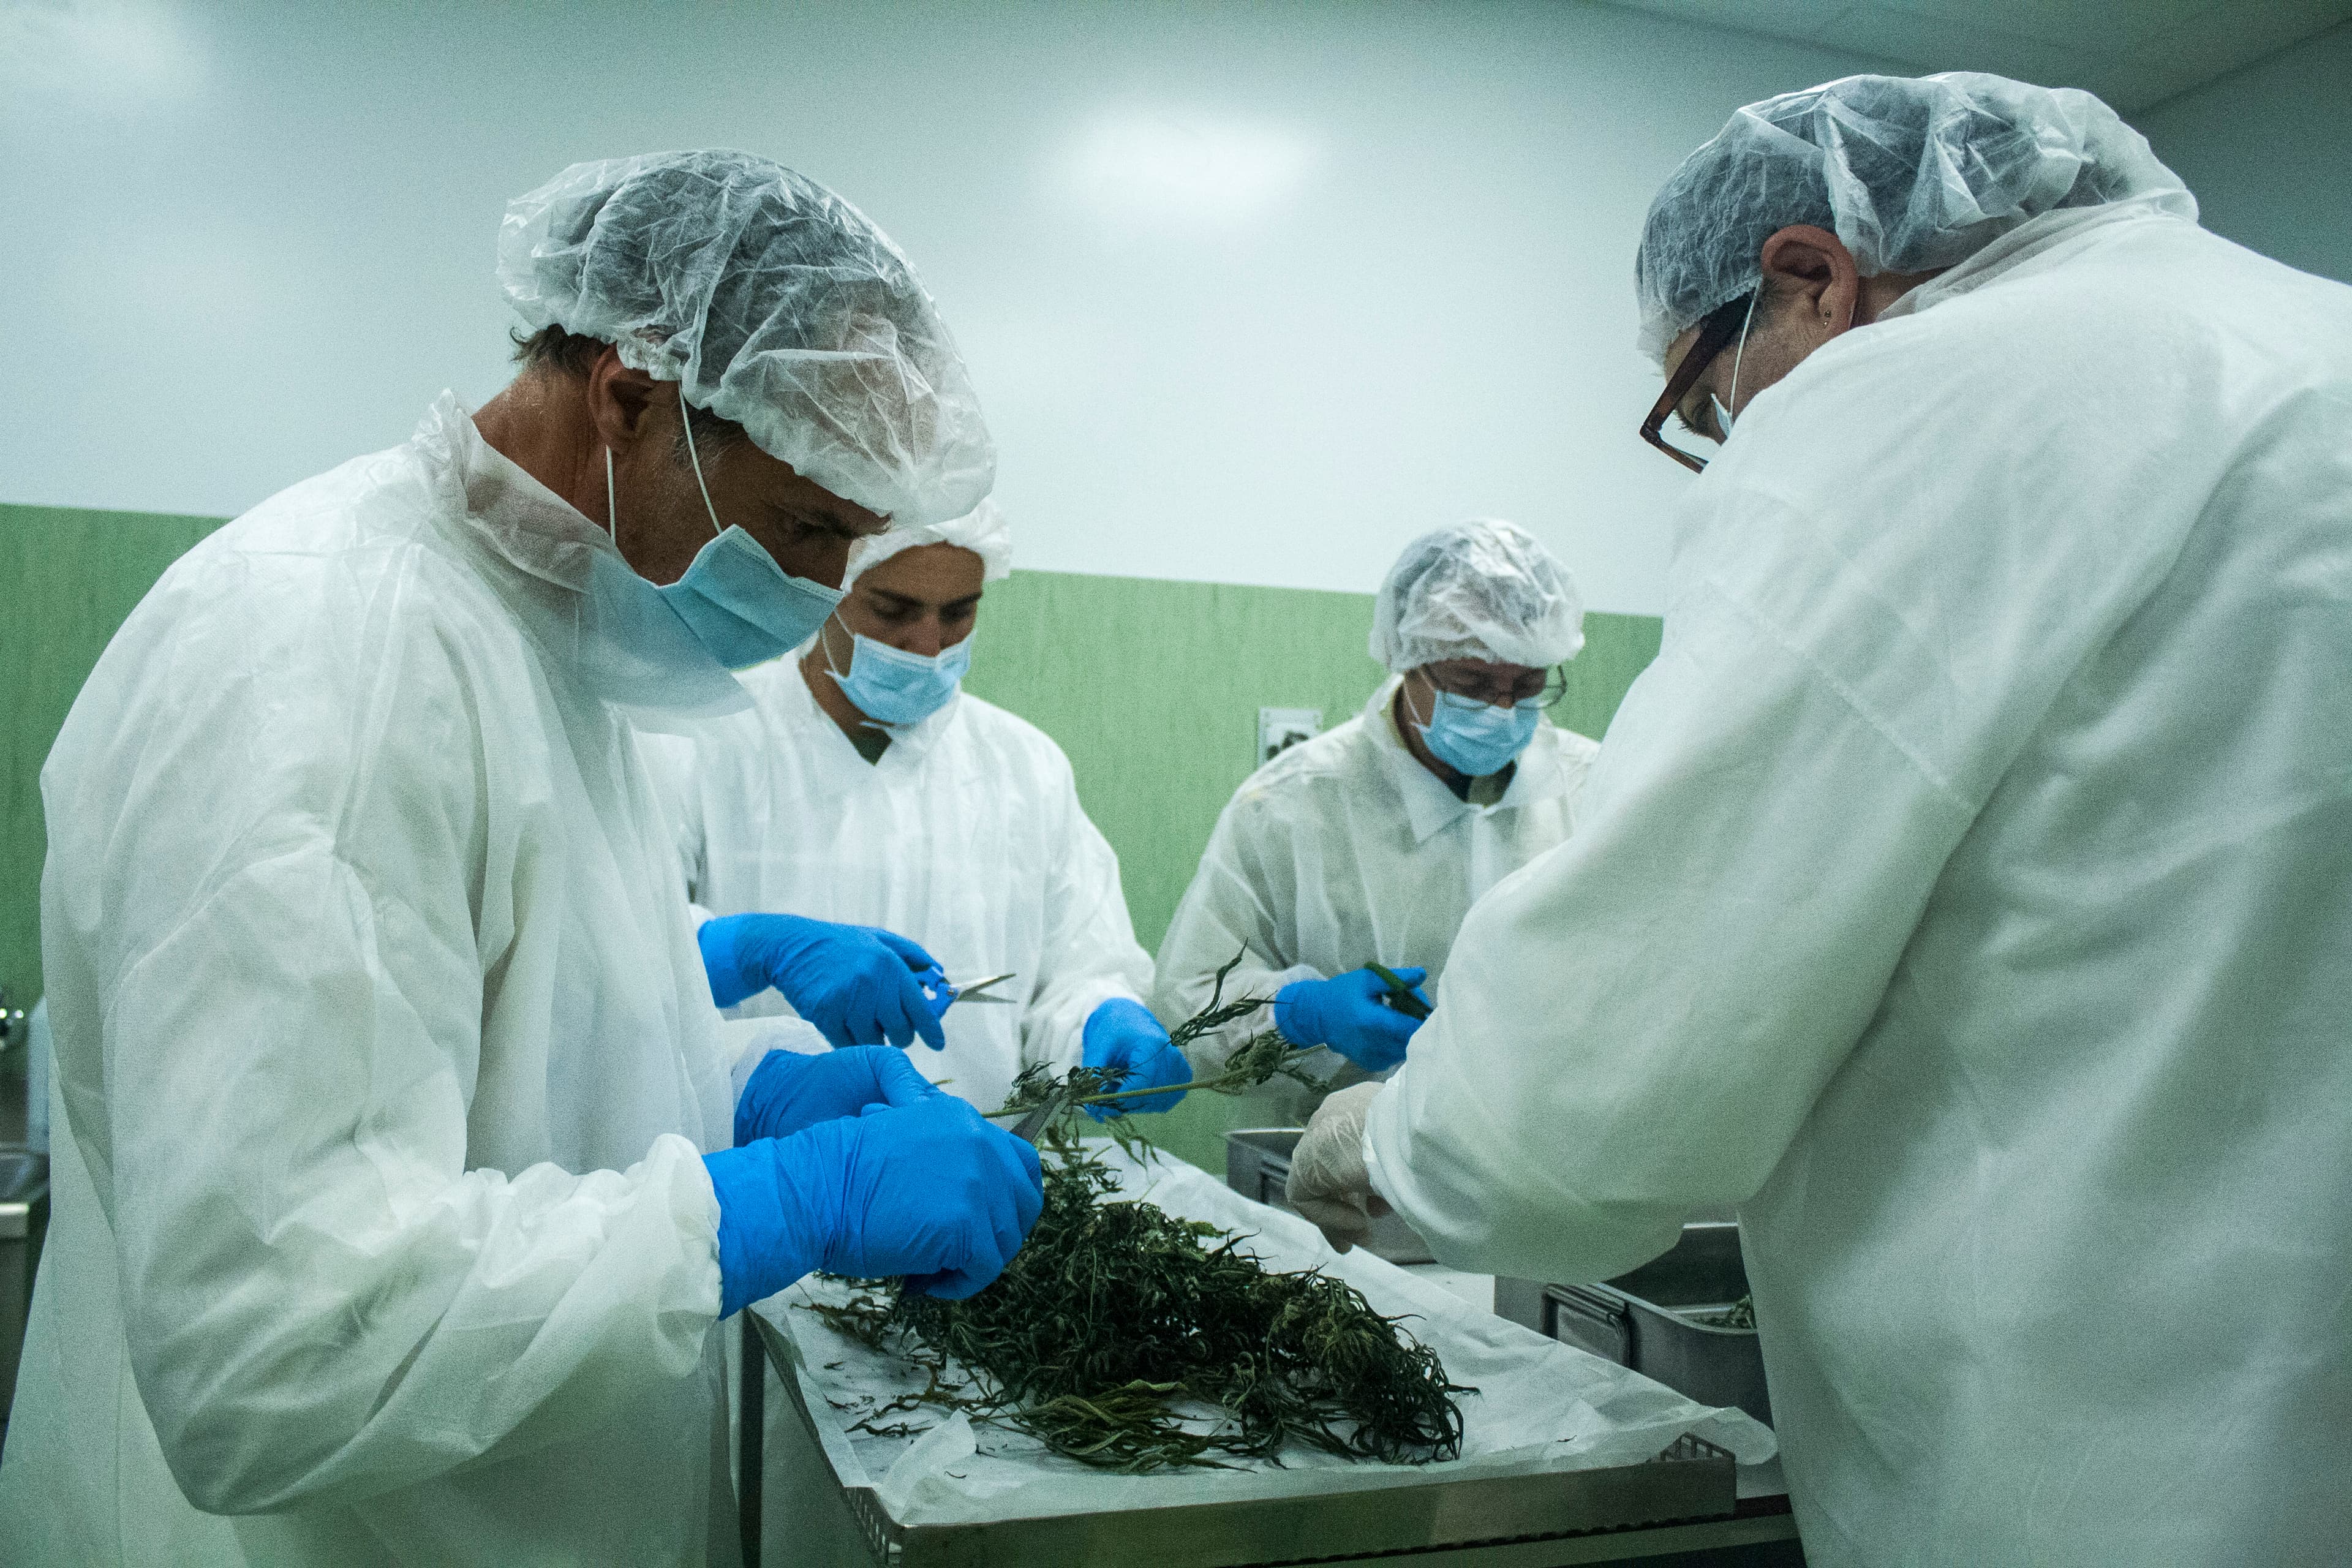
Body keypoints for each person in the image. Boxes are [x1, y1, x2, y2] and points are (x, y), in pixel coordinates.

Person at [1286, 73, 2352, 1566]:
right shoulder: (2308, 341)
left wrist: (1398, 1143)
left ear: (1810, 276)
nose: (1732, 442)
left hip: (2095, 1456)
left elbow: (1616, 1053)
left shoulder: (1923, 394)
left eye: (1710, 404)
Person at [0, 150, 1046, 1566]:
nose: (818, 597)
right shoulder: (334, 660)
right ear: (632, 396)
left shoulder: (562, 643)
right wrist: (778, 1204)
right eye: (807, 529)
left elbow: (517, 1066)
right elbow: (278, 1342)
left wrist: (740, 1085)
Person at [644, 499, 1186, 1121]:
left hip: (975, 1161)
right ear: (826, 592)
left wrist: (1102, 1017)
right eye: (892, 610)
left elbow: (1078, 966)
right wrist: (739, 950)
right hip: (763, 1162)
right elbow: (631, 953)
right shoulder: (704, 736)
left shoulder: (1026, 769)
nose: (928, 645)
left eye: (958, 614)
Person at [1154, 519, 1597, 1125]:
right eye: (1472, 683)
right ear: (1408, 659)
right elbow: (1188, 1000)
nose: (1501, 709)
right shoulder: (1292, 805)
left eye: (1527, 684)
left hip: (1542, 1151)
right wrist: (1301, 1014)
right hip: (1341, 1165)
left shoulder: (1596, 789)